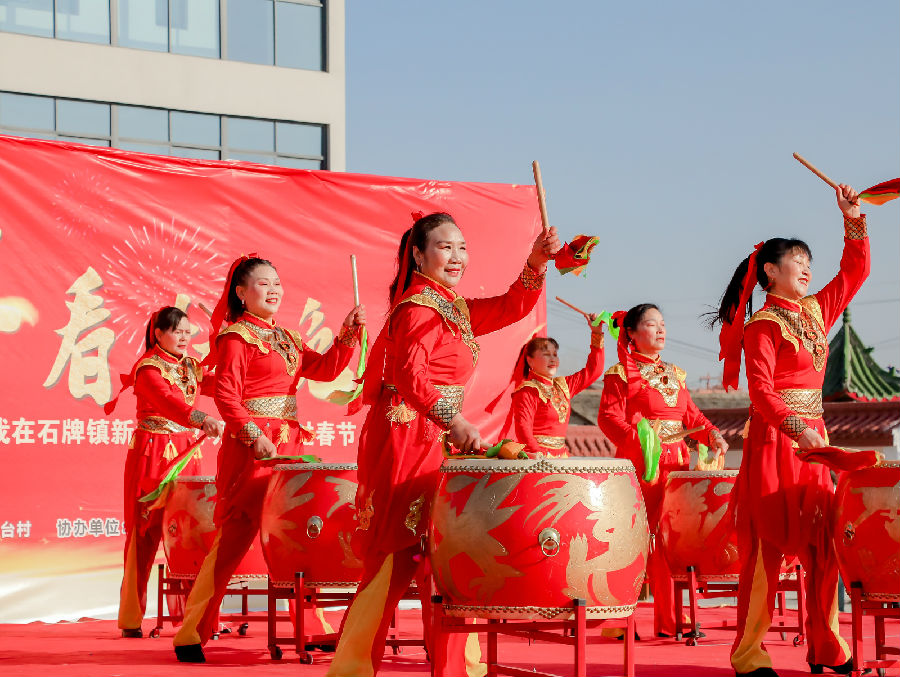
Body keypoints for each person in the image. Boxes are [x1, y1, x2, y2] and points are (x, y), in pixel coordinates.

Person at [325, 212, 560, 677]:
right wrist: (452, 420)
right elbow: (411, 377)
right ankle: (352, 667)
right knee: (395, 554)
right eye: (445, 247)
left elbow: (512, 306)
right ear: (417, 254)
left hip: (437, 436)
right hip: (408, 436)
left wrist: (535, 261)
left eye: (462, 248)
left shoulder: (451, 306)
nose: (457, 257)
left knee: (453, 555)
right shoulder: (417, 307)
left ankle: (458, 668)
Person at [173, 256, 364, 663]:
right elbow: (226, 394)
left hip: (289, 447)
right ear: (241, 294)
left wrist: (349, 334)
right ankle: (191, 632)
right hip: (252, 450)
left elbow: (327, 370)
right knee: (232, 541)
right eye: (263, 283)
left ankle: (312, 630)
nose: (274, 289)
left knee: (295, 540)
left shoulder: (288, 338)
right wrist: (252, 434)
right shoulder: (236, 338)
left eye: (277, 282)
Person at [712, 185, 868, 677]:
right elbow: (759, 391)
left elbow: (855, 272)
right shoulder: (763, 325)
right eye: (795, 260)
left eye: (808, 260)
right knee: (767, 548)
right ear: (770, 273)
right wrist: (796, 427)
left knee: (823, 545)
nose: (806, 267)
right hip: (775, 441)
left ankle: (827, 646)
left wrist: (853, 220)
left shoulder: (818, 310)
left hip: (814, 442)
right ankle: (749, 655)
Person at [597, 303, 728, 638]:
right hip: (644, 466)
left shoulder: (676, 373)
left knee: (671, 542)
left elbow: (692, 417)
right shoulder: (621, 373)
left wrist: (711, 434)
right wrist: (639, 440)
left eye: (663, 324)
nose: (661, 330)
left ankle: (669, 621)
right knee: (633, 538)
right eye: (652, 324)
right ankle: (613, 622)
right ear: (631, 332)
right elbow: (609, 418)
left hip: (677, 467)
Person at [112, 306, 224, 638]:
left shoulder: (191, 366)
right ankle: (132, 616)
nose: (185, 338)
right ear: (158, 334)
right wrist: (203, 419)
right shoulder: (147, 369)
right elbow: (168, 401)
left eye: (189, 332)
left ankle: (199, 620)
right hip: (153, 453)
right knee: (144, 533)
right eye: (178, 332)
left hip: (188, 453)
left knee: (190, 535)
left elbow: (218, 386)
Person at [508, 317, 605, 457]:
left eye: (555, 354)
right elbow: (523, 428)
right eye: (546, 354)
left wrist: (596, 333)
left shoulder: (563, 386)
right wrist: (539, 455)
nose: (553, 359)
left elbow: (593, 371)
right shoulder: (527, 391)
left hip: (562, 456)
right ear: (530, 360)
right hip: (539, 458)